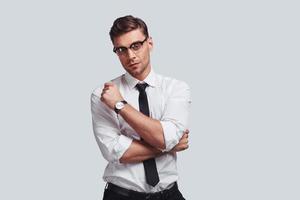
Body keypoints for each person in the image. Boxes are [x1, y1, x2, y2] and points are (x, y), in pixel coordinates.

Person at [91, 15, 191, 200]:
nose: (131, 56)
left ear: (149, 43)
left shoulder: (176, 88)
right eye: (121, 49)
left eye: (136, 45)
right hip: (121, 195)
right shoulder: (102, 95)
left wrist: (120, 105)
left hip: (169, 194)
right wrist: (170, 146)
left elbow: (164, 137)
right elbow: (115, 151)